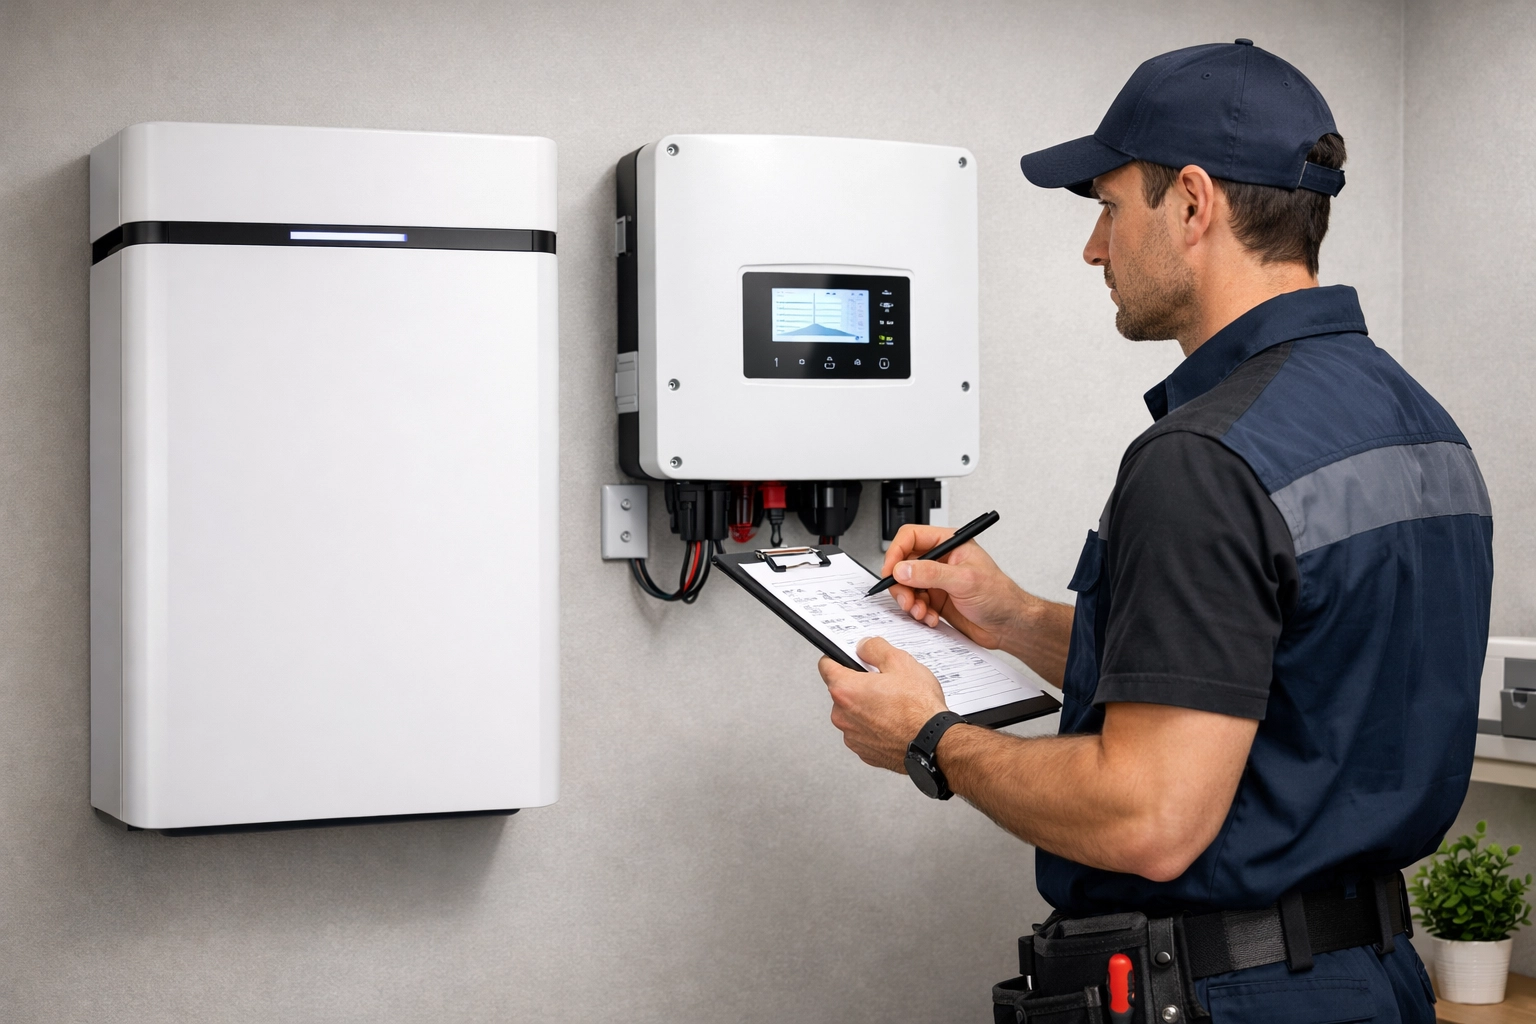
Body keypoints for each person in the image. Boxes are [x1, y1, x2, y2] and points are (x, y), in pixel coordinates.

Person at [817, 40, 1493, 1023]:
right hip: (1375, 980)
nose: (1094, 248)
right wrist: (1013, 618)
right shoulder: (1420, 425)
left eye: (1107, 206)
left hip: (1234, 995)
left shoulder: (1206, 458)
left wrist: (931, 738)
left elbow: (1150, 816)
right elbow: (1266, 681)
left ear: (1191, 202)